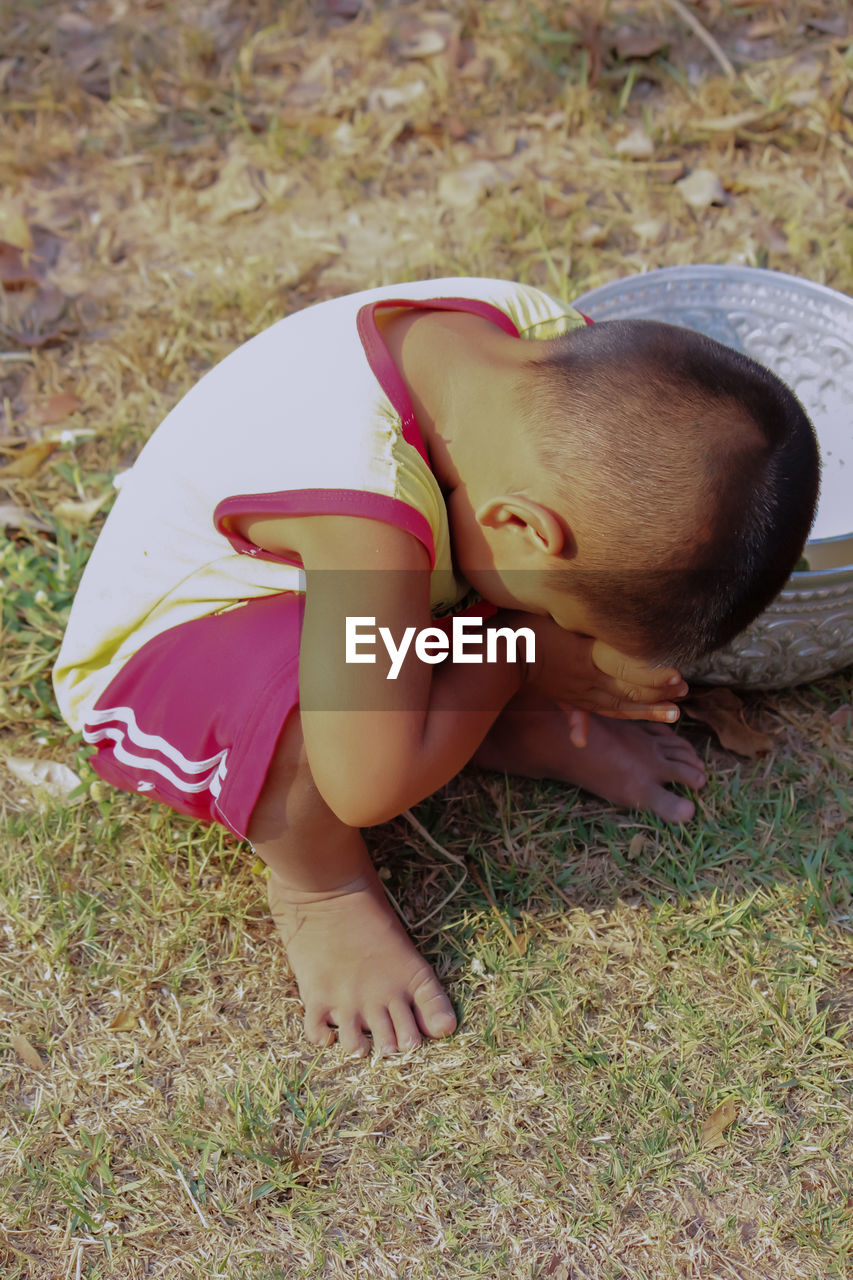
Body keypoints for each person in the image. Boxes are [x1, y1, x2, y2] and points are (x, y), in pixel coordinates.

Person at [53, 277, 819, 1058]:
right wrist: (518, 660)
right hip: (183, 647)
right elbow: (364, 782)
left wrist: (539, 631)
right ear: (519, 524)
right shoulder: (365, 514)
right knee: (316, 728)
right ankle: (322, 887)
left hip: (366, 596)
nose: (558, 635)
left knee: (532, 572)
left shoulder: (537, 354)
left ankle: (487, 718)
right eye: (564, 622)